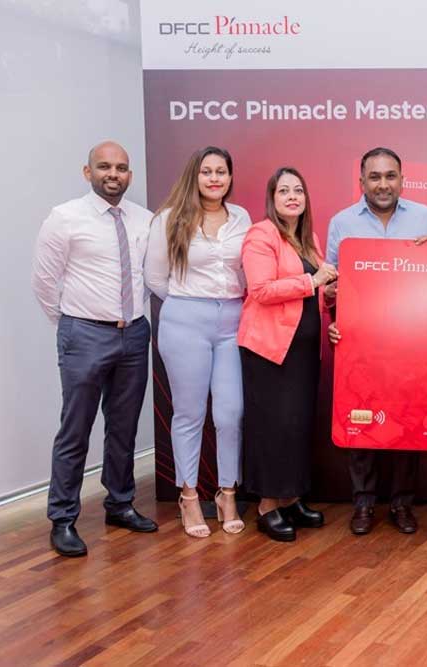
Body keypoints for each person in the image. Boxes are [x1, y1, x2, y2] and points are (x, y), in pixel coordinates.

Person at [31, 141, 157, 557]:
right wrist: (72, 323)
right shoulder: (64, 218)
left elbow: (148, 277)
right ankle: (63, 518)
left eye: (120, 168)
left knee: (123, 428)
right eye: (104, 167)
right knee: (76, 428)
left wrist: (127, 320)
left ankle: (120, 504)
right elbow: (44, 282)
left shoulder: (144, 219)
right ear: (88, 172)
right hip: (84, 333)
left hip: (134, 334)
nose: (113, 174)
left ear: (129, 175)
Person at [326, 147, 427, 536]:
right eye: (374, 177)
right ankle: (363, 503)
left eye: (390, 176)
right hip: (360, 345)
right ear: (361, 182)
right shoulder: (342, 223)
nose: (383, 184)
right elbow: (331, 284)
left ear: (402, 180)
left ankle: (402, 503)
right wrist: (334, 317)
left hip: (411, 344)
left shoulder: (425, 218)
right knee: (361, 423)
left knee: (407, 424)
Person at [145, 146, 251, 538]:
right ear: (195, 175)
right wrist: (187, 303)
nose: (214, 178)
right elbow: (155, 277)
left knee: (230, 412)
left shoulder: (241, 217)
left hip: (233, 321)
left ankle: (227, 493)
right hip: (185, 320)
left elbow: (246, 270)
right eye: (207, 171)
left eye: (221, 171)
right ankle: (189, 496)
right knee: (189, 413)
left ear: (230, 177)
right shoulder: (169, 218)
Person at [238, 167, 337, 542]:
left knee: (296, 425)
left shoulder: (308, 238)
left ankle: (291, 498)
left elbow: (312, 292)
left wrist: (328, 291)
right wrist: (313, 281)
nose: (292, 196)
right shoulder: (261, 234)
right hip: (269, 349)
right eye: (284, 191)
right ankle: (267, 506)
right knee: (272, 427)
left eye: (298, 190)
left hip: (303, 350)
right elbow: (261, 290)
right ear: (272, 198)